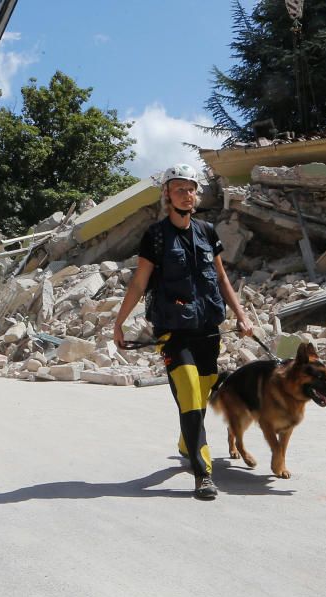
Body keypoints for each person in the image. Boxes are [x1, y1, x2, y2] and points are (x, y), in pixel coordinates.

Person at [113, 164, 252, 501]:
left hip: (207, 328)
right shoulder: (156, 236)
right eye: (179, 189)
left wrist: (242, 315)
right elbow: (140, 281)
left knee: (202, 391)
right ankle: (203, 473)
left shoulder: (207, 231)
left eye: (191, 189)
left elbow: (221, 278)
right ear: (167, 194)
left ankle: (185, 438)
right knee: (190, 391)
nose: (186, 195)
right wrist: (118, 322)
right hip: (172, 330)